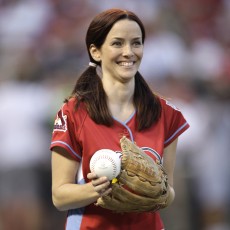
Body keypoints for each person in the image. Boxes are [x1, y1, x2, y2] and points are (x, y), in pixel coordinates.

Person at [50, 8, 190, 230]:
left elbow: (168, 192)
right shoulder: (73, 113)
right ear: (96, 52)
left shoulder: (166, 114)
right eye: (117, 43)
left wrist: (158, 193)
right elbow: (59, 196)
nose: (129, 52)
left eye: (136, 43)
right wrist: (101, 189)